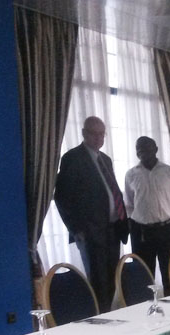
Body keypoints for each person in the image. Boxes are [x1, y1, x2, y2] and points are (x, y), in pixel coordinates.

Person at [54, 116, 128, 311]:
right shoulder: (72, 158)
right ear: (84, 133)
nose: (98, 138)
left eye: (102, 134)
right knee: (98, 282)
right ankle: (101, 319)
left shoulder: (105, 159)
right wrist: (77, 229)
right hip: (90, 232)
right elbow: (62, 197)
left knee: (111, 280)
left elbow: (111, 191)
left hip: (113, 229)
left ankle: (109, 315)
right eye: (94, 134)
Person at [124, 136, 170, 292]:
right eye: (139, 150)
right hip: (141, 232)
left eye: (147, 149)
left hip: (167, 229)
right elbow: (129, 205)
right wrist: (133, 226)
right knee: (144, 276)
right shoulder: (131, 174)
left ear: (156, 149)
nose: (142, 153)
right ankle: (148, 304)